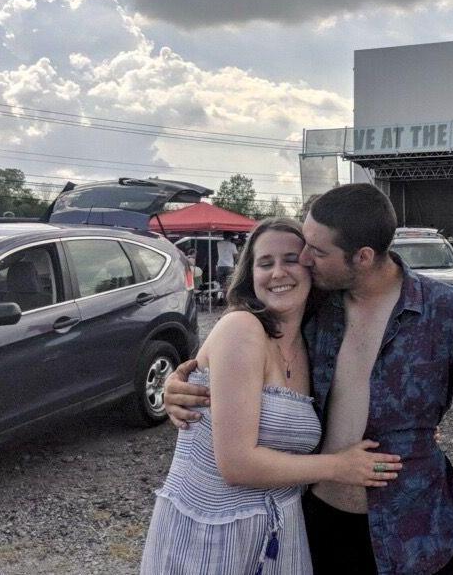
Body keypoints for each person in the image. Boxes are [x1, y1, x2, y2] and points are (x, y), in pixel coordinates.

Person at [165, 185, 453, 575]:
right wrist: (179, 387)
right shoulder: (315, 304)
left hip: (417, 533)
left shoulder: (445, 312)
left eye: (316, 251)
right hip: (319, 527)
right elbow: (239, 345)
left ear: (362, 257)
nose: (303, 259)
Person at [141, 217, 402, 574]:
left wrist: (409, 428)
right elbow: (236, 465)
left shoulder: (316, 341)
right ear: (251, 275)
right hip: (213, 532)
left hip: (280, 532)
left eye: (291, 259)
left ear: (312, 268)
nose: (278, 272)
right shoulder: (241, 328)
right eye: (265, 263)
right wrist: (341, 466)